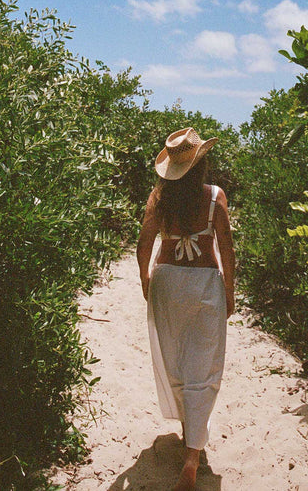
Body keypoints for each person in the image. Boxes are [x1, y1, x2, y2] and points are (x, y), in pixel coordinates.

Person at [137, 127, 235, 491]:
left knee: (176, 362)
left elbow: (144, 243)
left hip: (168, 284)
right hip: (204, 284)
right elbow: (226, 247)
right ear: (201, 163)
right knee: (203, 366)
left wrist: (146, 282)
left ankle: (187, 434)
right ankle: (192, 454)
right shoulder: (215, 197)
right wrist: (229, 291)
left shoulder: (158, 198)